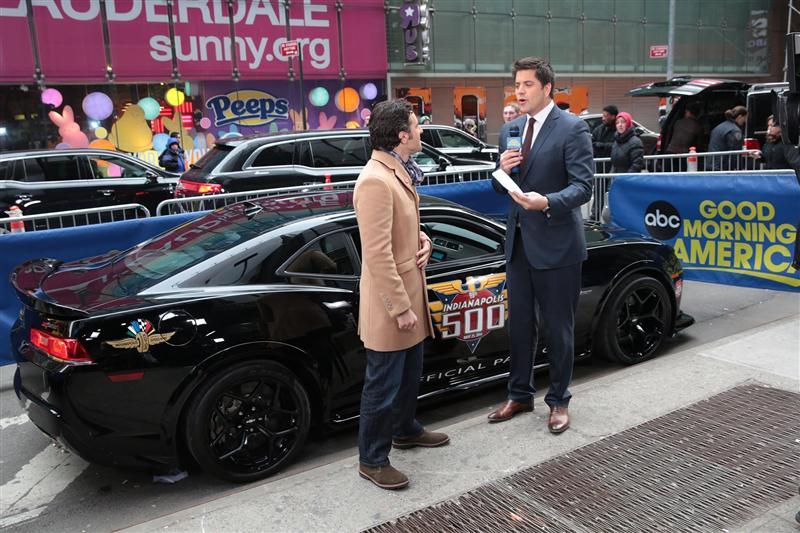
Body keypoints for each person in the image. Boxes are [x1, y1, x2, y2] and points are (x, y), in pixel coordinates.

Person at [489, 56, 593, 434]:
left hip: (558, 244)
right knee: (519, 326)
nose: (519, 91)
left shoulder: (573, 128)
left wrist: (546, 201)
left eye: (527, 84)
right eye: (516, 84)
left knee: (558, 328)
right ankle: (519, 394)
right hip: (519, 244)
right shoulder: (510, 129)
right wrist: (500, 169)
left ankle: (559, 400)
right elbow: (500, 186)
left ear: (547, 88)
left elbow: (583, 187)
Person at [353, 99, 449, 490]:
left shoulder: (397, 171)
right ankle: (372, 460)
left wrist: (422, 238)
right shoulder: (375, 179)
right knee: (383, 385)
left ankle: (406, 429)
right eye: (417, 125)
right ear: (401, 135)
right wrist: (400, 308)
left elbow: (402, 226)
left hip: (410, 294)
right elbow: (376, 254)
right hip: (392, 304)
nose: (422, 130)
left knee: (409, 376)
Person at [665, 101, 702, 170]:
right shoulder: (697, 126)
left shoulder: (678, 122)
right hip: (684, 155)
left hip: (670, 152)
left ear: (688, 112)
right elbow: (699, 143)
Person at [708, 105, 747, 170]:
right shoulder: (734, 130)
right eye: (745, 118)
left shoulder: (719, 127)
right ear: (740, 117)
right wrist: (739, 169)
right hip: (722, 167)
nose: (745, 121)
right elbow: (735, 153)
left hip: (711, 164)